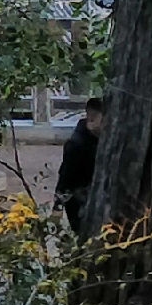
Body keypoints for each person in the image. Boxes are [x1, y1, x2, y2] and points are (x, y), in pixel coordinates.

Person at [55, 96, 104, 235]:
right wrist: (57, 208)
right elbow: (64, 179)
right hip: (81, 204)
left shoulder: (100, 140)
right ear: (92, 119)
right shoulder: (76, 145)